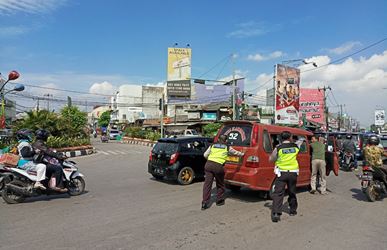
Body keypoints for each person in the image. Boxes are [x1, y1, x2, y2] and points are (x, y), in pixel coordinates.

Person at [201, 135, 244, 210]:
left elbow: (205, 155)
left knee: (207, 184)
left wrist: (211, 159)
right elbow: (236, 153)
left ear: (218, 140)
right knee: (220, 184)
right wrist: (243, 154)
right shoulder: (227, 147)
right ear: (226, 141)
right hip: (218, 166)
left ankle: (204, 203)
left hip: (208, 164)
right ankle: (219, 200)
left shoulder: (212, 145)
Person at [269, 131, 304, 222]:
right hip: (293, 173)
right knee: (292, 191)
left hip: (282, 173)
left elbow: (271, 159)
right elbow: (301, 139)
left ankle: (276, 213)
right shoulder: (296, 146)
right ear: (290, 138)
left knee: (278, 193)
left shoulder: (278, 148)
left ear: (281, 138)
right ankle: (292, 210)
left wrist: (278, 158)